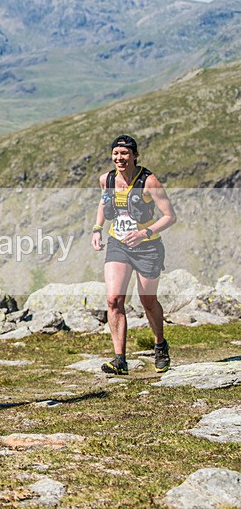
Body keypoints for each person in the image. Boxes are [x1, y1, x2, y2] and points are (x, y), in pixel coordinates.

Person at [91, 135, 177, 375]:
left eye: (125, 154)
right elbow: (103, 202)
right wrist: (97, 229)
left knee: (148, 301)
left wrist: (144, 232)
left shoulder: (149, 181)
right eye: (116, 153)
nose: (120, 158)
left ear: (134, 156)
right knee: (114, 299)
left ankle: (160, 345)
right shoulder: (106, 179)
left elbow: (170, 216)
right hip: (118, 244)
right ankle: (120, 360)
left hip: (147, 246)